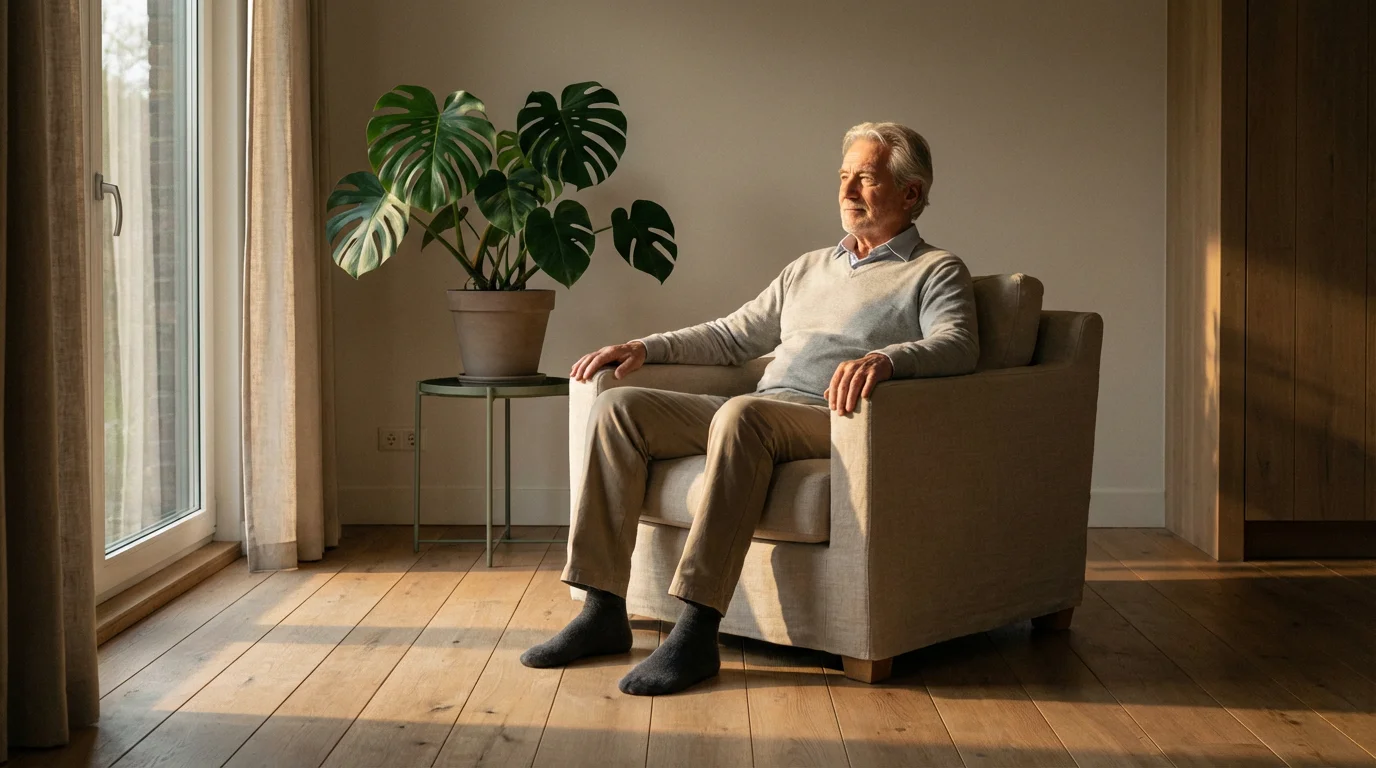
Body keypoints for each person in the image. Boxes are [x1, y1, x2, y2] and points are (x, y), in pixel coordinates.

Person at [520, 122, 980, 696]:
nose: (847, 191)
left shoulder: (934, 271)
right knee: (621, 408)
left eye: (865, 179)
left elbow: (958, 343)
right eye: (843, 178)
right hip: (766, 407)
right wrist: (645, 347)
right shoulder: (808, 268)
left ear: (910, 193)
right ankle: (602, 609)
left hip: (836, 421)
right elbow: (731, 336)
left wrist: (887, 360)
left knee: (742, 415)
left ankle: (696, 629)